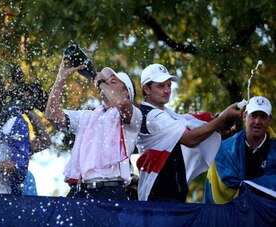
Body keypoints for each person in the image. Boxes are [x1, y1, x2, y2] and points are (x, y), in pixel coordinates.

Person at [136, 63, 243, 202]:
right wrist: (223, 118)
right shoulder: (152, 116)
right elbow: (190, 139)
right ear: (146, 89)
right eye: (161, 86)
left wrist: (223, 119)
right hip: (158, 194)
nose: (167, 90)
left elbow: (197, 124)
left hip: (173, 193)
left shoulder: (169, 115)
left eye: (169, 85)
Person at [45, 59, 142, 200]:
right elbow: (51, 114)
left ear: (126, 93)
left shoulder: (134, 115)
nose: (107, 82)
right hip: (80, 191)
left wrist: (101, 82)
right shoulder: (87, 117)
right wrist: (61, 77)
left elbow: (121, 103)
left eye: (113, 81)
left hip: (110, 191)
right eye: (106, 80)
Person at [204, 96, 275, 204]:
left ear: (269, 120)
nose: (257, 121)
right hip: (232, 217)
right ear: (244, 116)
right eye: (253, 115)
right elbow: (212, 192)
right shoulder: (223, 151)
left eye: (263, 117)